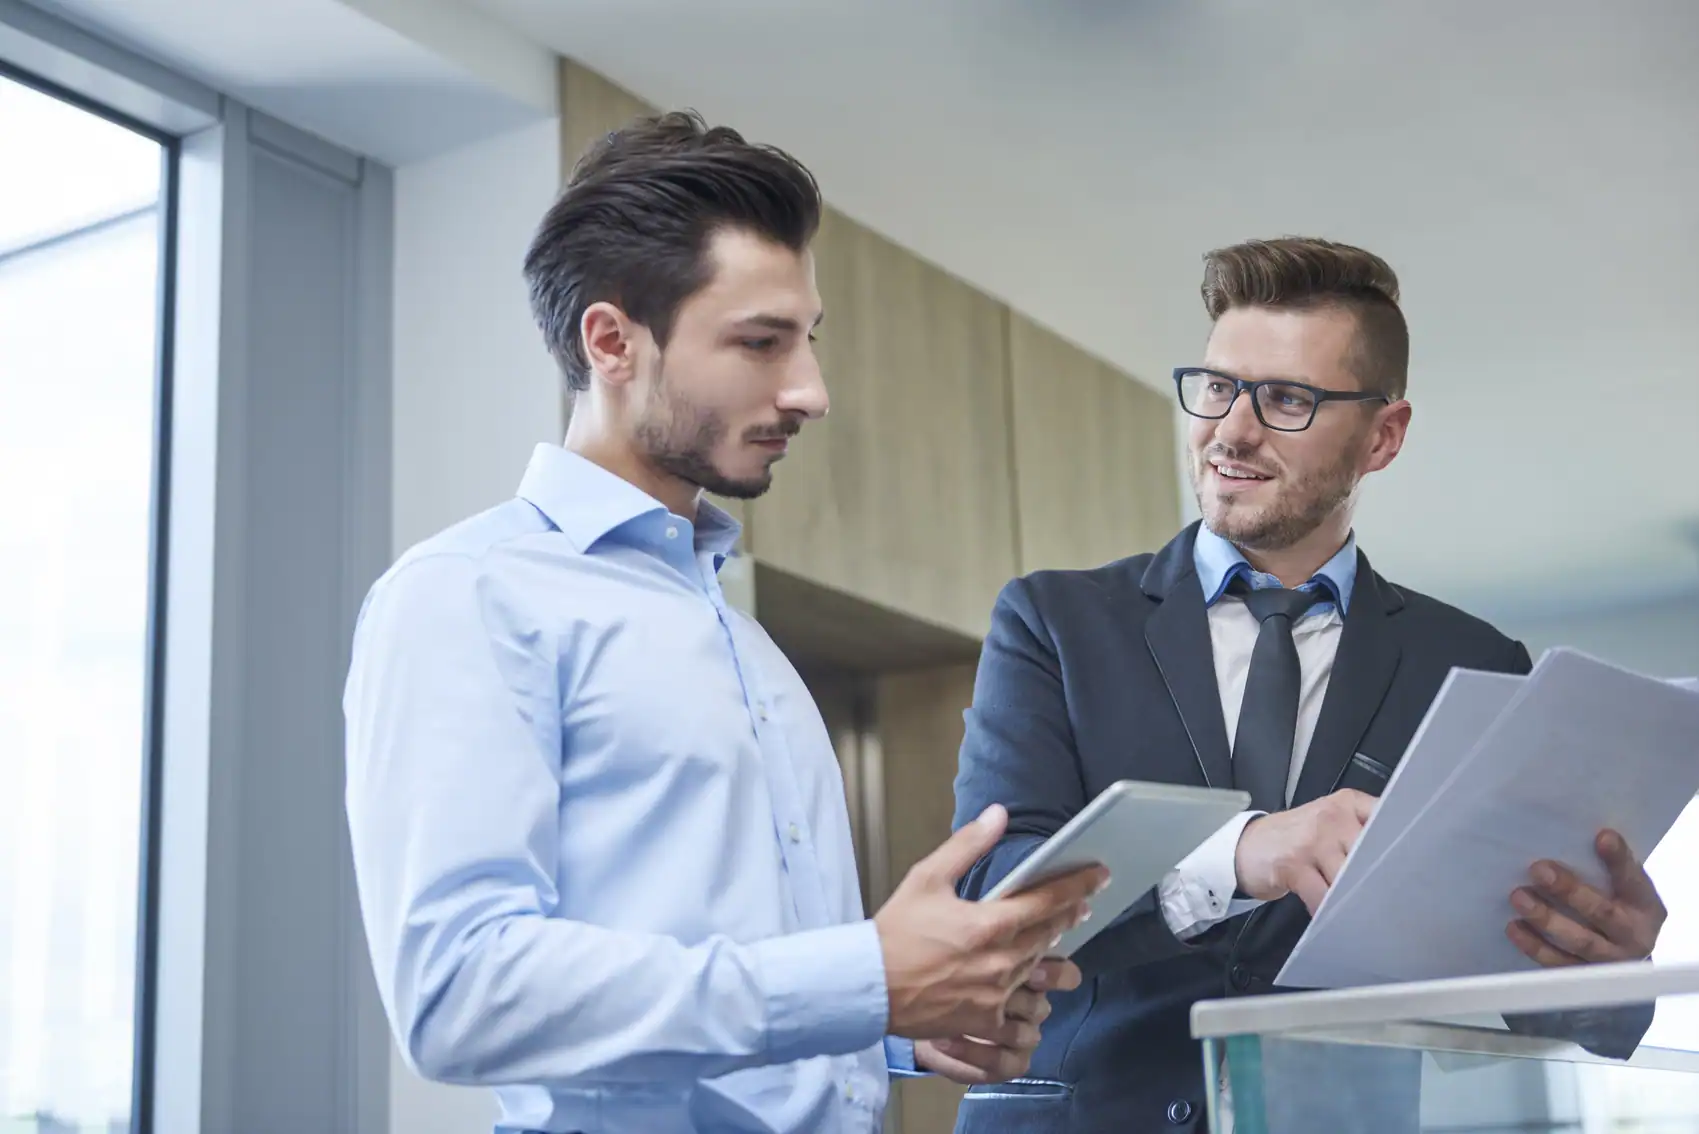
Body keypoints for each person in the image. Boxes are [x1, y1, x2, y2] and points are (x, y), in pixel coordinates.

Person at [342, 110, 1106, 1134]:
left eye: (807, 340)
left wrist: (897, 1022)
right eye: (759, 342)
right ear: (611, 341)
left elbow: (755, 979)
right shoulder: (469, 594)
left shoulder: (742, 641)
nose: (811, 391)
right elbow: (458, 993)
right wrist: (863, 978)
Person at [947, 237, 1667, 1133]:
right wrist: (1238, 854)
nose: (1230, 431)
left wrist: (1602, 967)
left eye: (1286, 400)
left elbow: (1545, 1002)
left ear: (1382, 436)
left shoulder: (1474, 665)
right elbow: (989, 895)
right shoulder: (1053, 621)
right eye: (1216, 387)